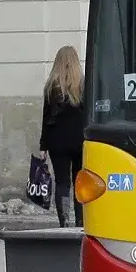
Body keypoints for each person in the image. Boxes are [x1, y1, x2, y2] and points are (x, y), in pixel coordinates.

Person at [39, 45, 86, 228]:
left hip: (57, 141)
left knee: (62, 182)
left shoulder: (51, 86)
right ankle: (80, 221)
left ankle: (64, 221)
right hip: (80, 140)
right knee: (79, 181)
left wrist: (43, 146)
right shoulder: (84, 85)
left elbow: (45, 117)